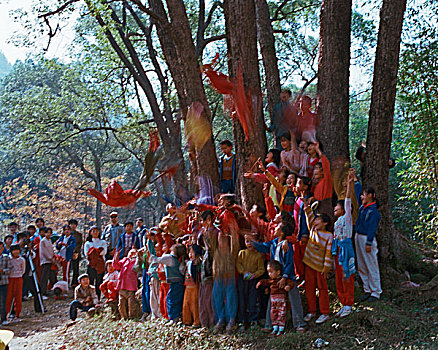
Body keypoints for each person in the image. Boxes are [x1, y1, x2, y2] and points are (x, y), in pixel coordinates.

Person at [250, 223, 306, 333]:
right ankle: (269, 324)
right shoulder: (274, 243)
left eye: (277, 227)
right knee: (273, 300)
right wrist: (252, 242)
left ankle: (299, 323)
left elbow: (290, 263)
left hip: (287, 277)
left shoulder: (287, 245)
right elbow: (263, 247)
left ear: (282, 232)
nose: (274, 228)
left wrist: (284, 277)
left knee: (294, 299)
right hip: (275, 277)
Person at [302, 203, 333, 324]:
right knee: (309, 288)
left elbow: (328, 253)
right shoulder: (312, 230)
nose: (315, 222)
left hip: (320, 268)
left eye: (318, 220)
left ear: (325, 223)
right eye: (315, 220)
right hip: (309, 264)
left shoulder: (329, 236)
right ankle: (312, 311)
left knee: (322, 289)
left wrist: (326, 269)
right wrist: (307, 208)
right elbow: (309, 218)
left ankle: (325, 312)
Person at [333, 171, 356, 317]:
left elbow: (347, 200)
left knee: (347, 276)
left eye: (337, 206)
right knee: (339, 277)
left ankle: (349, 303)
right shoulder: (337, 222)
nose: (335, 208)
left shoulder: (347, 219)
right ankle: (343, 302)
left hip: (346, 249)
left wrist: (349, 184)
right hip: (338, 249)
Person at [355, 187, 382, 302]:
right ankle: (367, 289)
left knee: (371, 265)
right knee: (362, 265)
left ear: (370, 195)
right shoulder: (363, 208)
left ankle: (376, 292)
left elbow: (372, 228)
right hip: (359, 237)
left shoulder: (373, 211)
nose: (361, 197)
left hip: (367, 238)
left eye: (364, 195)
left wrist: (369, 242)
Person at [257, 260, 295, 337]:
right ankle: (275, 328)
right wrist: (260, 282)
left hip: (281, 301)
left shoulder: (282, 281)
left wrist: (288, 286)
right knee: (273, 314)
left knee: (281, 314)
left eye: (271, 272)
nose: (269, 274)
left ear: (278, 272)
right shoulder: (271, 280)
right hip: (273, 302)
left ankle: (281, 329)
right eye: (268, 272)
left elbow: (291, 283)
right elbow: (265, 281)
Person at [150, 244, 186, 322]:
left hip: (175, 282)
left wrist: (151, 252)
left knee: (171, 300)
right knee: (173, 300)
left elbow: (157, 260)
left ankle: (173, 318)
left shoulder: (169, 258)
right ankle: (173, 317)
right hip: (178, 281)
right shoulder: (175, 259)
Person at [236, 235, 265, 329]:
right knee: (242, 299)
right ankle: (242, 320)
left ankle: (253, 320)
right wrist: (243, 272)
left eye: (252, 241)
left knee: (253, 299)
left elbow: (261, 269)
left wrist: (254, 275)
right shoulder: (242, 253)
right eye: (247, 241)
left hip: (253, 280)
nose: (249, 244)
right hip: (243, 279)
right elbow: (238, 264)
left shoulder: (258, 256)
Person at [197, 210, 218, 328]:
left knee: (209, 297)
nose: (201, 223)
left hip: (212, 266)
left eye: (202, 220)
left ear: (209, 219)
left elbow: (212, 249)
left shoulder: (215, 232)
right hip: (205, 265)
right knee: (203, 296)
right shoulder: (204, 232)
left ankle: (211, 322)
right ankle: (204, 322)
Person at [113, 248, 139, 320]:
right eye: (130, 252)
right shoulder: (125, 260)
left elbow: (136, 268)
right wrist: (116, 257)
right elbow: (116, 266)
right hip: (122, 284)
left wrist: (137, 258)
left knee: (131, 303)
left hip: (131, 285)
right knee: (121, 303)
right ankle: (123, 317)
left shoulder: (136, 261)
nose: (132, 254)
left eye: (134, 253)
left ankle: (131, 317)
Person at [84, 226, 107, 300]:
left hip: (100, 265)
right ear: (90, 233)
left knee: (99, 282)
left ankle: (98, 298)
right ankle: (90, 298)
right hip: (91, 265)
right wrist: (96, 252)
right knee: (90, 282)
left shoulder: (103, 242)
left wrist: (94, 252)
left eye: (97, 231)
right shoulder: (87, 243)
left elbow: (104, 252)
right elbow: (87, 254)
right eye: (93, 231)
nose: (95, 232)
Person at [182, 244, 201, 327]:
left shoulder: (198, 264)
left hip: (194, 287)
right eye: (189, 252)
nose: (190, 254)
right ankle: (186, 321)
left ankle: (196, 321)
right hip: (187, 287)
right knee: (186, 304)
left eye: (192, 252)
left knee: (194, 305)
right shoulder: (188, 263)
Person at [5, 245, 25, 321]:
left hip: (19, 278)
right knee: (9, 296)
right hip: (10, 279)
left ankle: (17, 314)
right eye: (14, 250)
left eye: (17, 250)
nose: (16, 252)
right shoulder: (9, 259)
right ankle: (7, 313)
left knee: (18, 296)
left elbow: (23, 270)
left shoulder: (22, 260)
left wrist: (18, 274)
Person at [39, 227, 55, 298]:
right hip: (45, 261)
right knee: (44, 277)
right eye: (47, 232)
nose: (48, 234)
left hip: (50, 261)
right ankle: (43, 292)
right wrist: (50, 258)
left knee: (50, 275)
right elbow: (44, 251)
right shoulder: (43, 241)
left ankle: (50, 290)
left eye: (50, 232)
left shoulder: (49, 240)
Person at [69, 219, 83, 288]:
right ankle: (66, 282)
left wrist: (75, 250)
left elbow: (80, 244)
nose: (72, 226)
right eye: (71, 224)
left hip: (76, 253)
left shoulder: (79, 235)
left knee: (75, 269)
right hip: (67, 254)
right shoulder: (66, 234)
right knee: (68, 269)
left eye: (74, 224)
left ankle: (75, 282)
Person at [0, 242, 10, 325]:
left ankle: (3, 318)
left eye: (1, 247)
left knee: (3, 301)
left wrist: (3, 271)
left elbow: (10, 269)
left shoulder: (6, 257)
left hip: (3, 282)